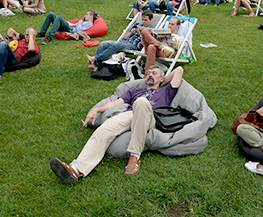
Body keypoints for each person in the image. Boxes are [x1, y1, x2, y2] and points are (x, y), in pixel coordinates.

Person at [49, 66, 184, 183]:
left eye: (154, 74)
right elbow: (115, 103)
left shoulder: (166, 92)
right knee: (103, 130)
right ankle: (76, 169)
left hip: (149, 116)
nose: (150, 75)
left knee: (141, 102)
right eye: (148, 73)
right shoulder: (134, 91)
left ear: (162, 79)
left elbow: (179, 70)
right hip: (128, 115)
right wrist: (97, 109)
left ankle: (135, 157)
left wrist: (161, 81)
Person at [85, 10, 154, 71]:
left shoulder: (151, 30)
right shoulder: (137, 25)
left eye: (146, 20)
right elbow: (125, 37)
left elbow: (144, 44)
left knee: (116, 45)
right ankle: (97, 66)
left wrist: (142, 34)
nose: (143, 22)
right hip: (124, 42)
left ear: (150, 20)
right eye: (142, 19)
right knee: (103, 43)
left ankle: (94, 59)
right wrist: (131, 32)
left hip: (133, 46)